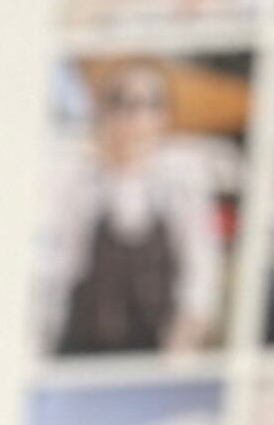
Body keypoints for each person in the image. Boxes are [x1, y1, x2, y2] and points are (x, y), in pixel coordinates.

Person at [37, 56, 232, 356]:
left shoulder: (181, 176)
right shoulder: (76, 177)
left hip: (156, 349)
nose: (132, 116)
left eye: (147, 104)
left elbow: (200, 264)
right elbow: (57, 268)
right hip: (83, 347)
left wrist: (185, 337)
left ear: (164, 116)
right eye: (120, 102)